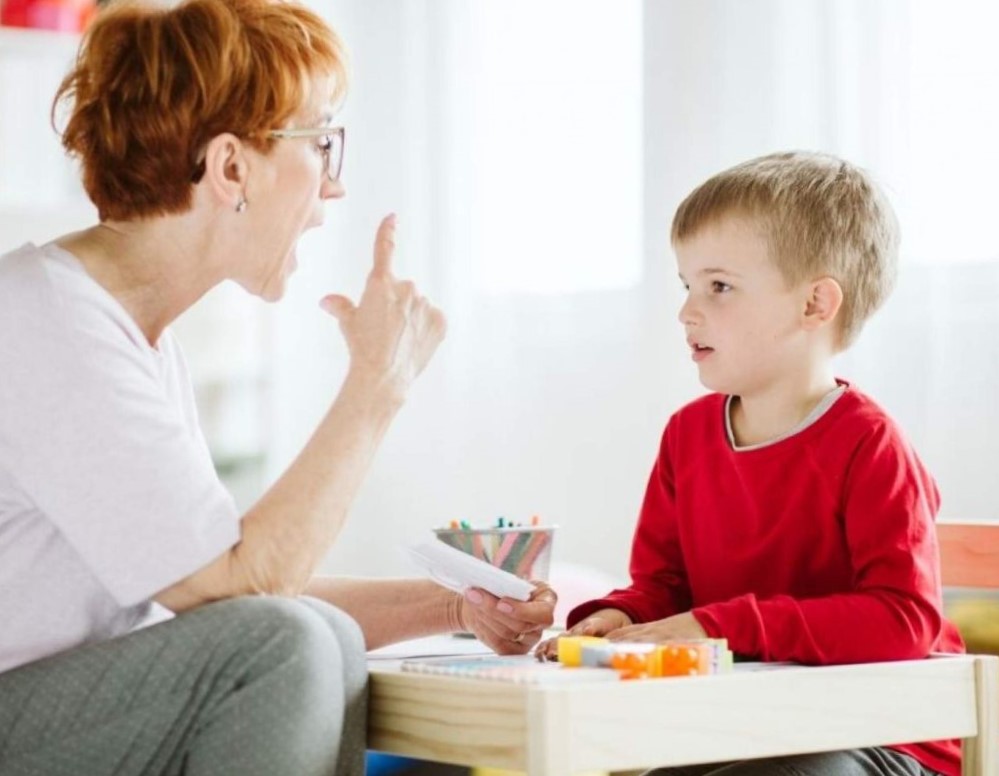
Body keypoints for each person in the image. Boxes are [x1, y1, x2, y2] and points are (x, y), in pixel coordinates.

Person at [0, 1, 555, 774]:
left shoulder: (122, 337)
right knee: (286, 641)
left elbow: (226, 594)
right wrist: (375, 386)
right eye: (321, 142)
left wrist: (455, 608)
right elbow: (245, 588)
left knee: (317, 635)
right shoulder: (46, 325)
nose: (331, 188)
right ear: (231, 168)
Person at [537, 152, 962, 776]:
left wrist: (720, 625)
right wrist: (623, 615)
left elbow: (903, 620)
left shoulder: (870, 444)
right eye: (687, 286)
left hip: (887, 736)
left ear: (816, 304)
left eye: (719, 286)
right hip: (745, 726)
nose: (687, 312)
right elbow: (666, 585)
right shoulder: (687, 437)